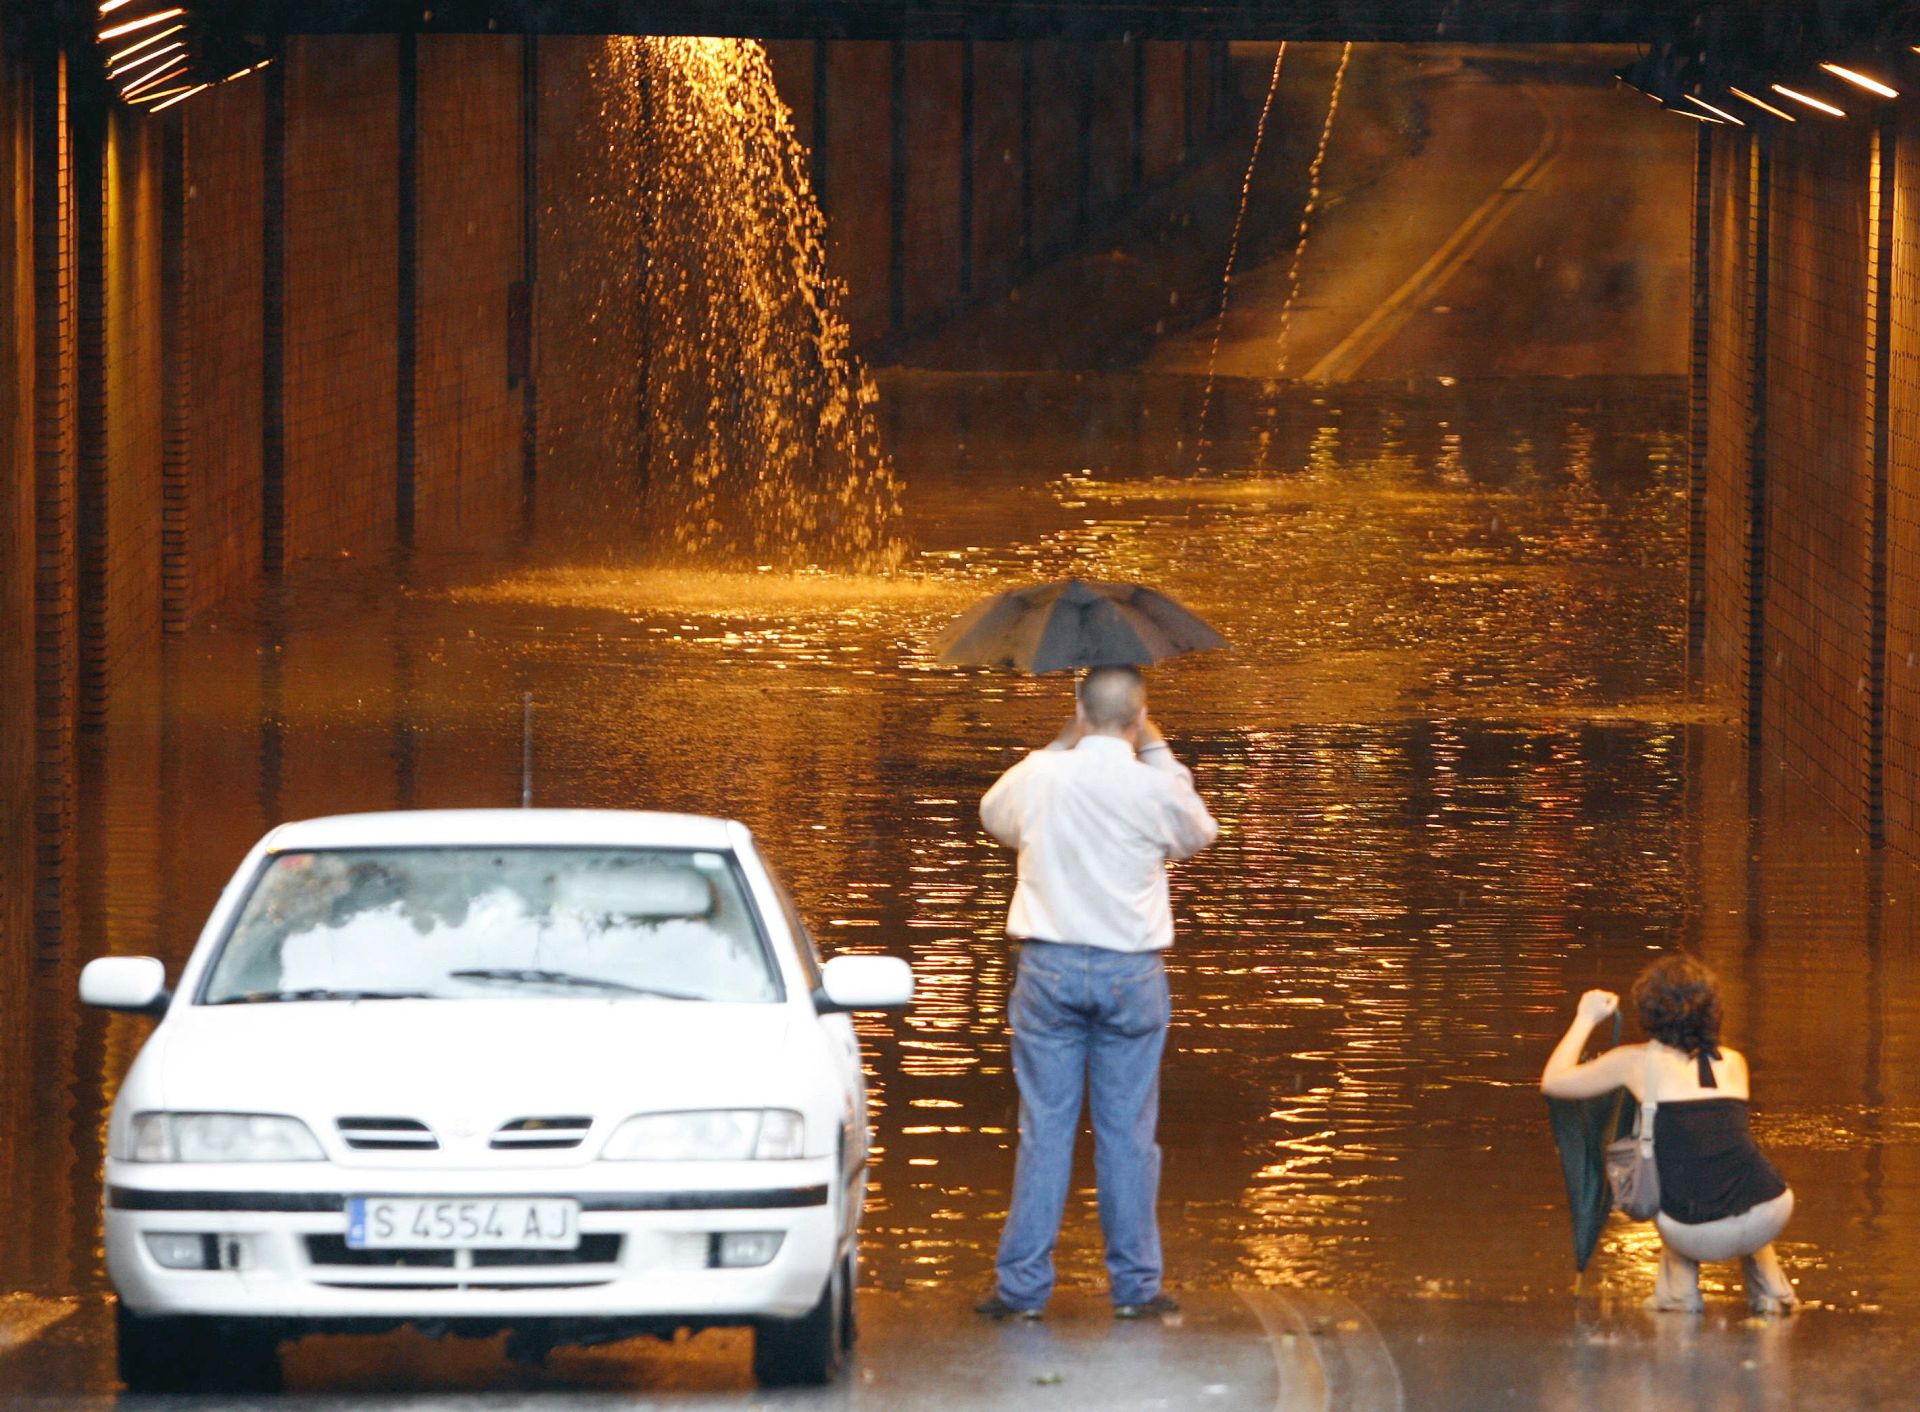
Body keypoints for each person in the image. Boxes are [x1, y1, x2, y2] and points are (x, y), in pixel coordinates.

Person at [972, 665, 1219, 1321]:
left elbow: (993, 817)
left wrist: (1061, 740)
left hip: (1048, 969)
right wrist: (1158, 747)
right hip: (1129, 974)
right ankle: (1136, 1290)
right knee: (1128, 1136)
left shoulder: (1040, 775)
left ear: (1079, 711)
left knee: (1044, 1132)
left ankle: (1021, 1292)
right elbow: (1200, 833)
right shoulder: (1152, 785)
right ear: (1138, 718)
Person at [1540, 952, 1796, 1314]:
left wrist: (1585, 1018)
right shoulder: (1734, 1062)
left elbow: (1553, 1081)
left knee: (1674, 1187)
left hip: (1695, 1233)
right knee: (1730, 1177)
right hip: (1771, 1211)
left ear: (1649, 1013)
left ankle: (1679, 1296)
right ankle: (1773, 1291)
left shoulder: (1634, 1062)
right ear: (1713, 1012)